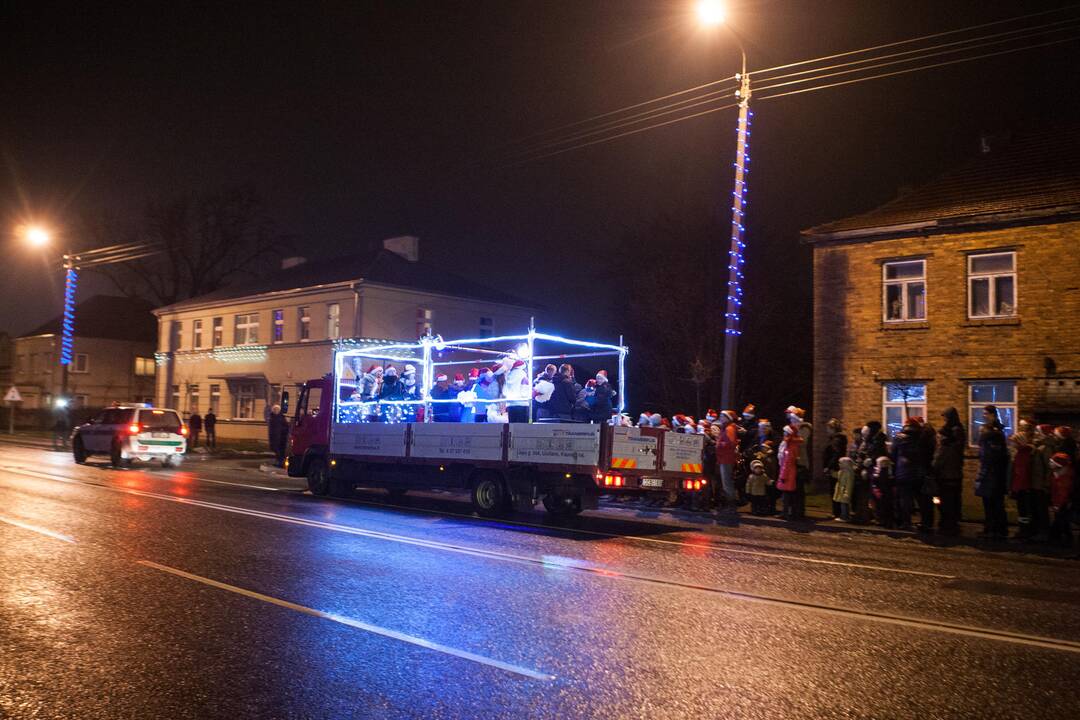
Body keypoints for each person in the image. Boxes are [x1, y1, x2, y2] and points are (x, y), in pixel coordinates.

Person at [975, 405, 1009, 539]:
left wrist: (983, 472)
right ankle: (992, 528)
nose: (984, 416)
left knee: (994, 504)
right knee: (990, 503)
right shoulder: (993, 434)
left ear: (993, 415)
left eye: (986, 413)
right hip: (991, 475)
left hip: (993, 475)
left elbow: (992, 458)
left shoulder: (994, 435)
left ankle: (996, 529)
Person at [932, 408, 966, 536]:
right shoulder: (957, 438)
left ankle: (947, 523)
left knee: (945, 501)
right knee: (954, 499)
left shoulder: (946, 447)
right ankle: (953, 522)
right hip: (956, 474)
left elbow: (938, 461)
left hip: (946, 476)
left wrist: (933, 470)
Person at [891, 420, 923, 531]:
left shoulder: (898, 438)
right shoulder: (919, 438)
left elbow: (893, 455)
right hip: (916, 473)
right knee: (914, 499)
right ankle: (915, 521)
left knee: (903, 498)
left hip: (901, 473)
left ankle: (903, 521)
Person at [1009, 420, 1037, 539]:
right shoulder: (1021, 453)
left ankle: (1025, 531)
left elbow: (1022, 472)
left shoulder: (1024, 454)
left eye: (1014, 443)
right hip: (1020, 486)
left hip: (1024, 487)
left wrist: (1017, 486)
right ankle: (1023, 530)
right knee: (1022, 510)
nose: (1012, 445)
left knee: (1025, 510)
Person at [822, 418, 847, 519]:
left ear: (833, 429)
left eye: (828, 428)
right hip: (835, 467)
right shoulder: (836, 439)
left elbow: (835, 455)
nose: (827, 430)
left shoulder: (836, 440)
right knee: (835, 489)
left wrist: (829, 466)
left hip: (835, 468)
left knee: (835, 490)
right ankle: (837, 512)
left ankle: (837, 512)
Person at [777, 424, 802, 520]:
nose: (783, 434)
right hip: (789, 473)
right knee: (787, 495)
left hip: (787, 474)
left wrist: (783, 476)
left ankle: (785, 513)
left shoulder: (789, 446)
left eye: (785, 432)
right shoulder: (791, 445)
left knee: (786, 496)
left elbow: (787, 463)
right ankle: (788, 512)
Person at [1048, 453, 1074, 547]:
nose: (1050, 463)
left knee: (1060, 521)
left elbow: (1062, 493)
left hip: (1062, 503)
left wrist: (1057, 505)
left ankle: (1058, 539)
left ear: (1058, 464)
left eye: (1052, 462)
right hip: (1059, 502)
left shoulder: (1064, 477)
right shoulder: (1057, 473)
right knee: (1062, 521)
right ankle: (1064, 538)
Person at [715, 410, 739, 511]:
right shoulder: (726, 428)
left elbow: (731, 443)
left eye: (722, 416)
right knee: (726, 482)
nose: (720, 417)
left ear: (727, 418)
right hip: (724, 458)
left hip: (726, 459)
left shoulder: (729, 428)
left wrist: (719, 444)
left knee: (727, 483)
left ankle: (731, 505)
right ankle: (728, 504)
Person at [871, 456, 894, 528]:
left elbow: (874, 481)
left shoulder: (879, 472)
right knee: (884, 507)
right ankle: (884, 521)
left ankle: (882, 521)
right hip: (885, 492)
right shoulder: (889, 472)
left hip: (883, 492)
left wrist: (875, 489)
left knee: (881, 507)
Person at [832, 456, 856, 522]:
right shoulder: (842, 471)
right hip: (841, 490)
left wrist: (847, 492)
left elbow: (849, 483)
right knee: (843, 504)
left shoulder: (848, 472)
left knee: (844, 504)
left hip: (844, 490)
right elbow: (838, 476)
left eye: (840, 463)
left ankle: (845, 517)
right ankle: (844, 516)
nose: (839, 464)